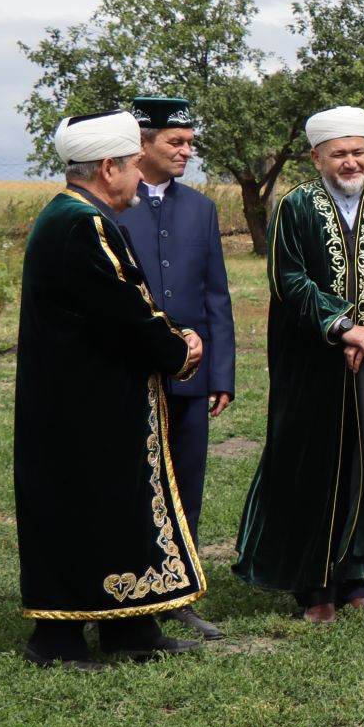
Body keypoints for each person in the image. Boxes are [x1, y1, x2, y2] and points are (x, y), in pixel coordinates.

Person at [15, 111, 207, 668]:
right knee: (81, 514)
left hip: (89, 402)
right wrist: (180, 349)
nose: (137, 179)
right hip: (82, 408)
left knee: (117, 511)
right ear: (108, 168)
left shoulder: (68, 216)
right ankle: (55, 641)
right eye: (131, 167)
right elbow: (125, 313)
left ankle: (132, 629)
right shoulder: (82, 224)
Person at [232, 107, 364, 621]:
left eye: (357, 152)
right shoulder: (295, 208)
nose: (349, 162)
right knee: (310, 463)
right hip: (311, 364)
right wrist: (345, 328)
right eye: (338, 154)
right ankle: (313, 583)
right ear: (317, 156)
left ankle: (354, 572)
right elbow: (290, 282)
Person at [117, 96, 233, 641]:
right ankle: (132, 592)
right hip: (131, 372)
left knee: (187, 481)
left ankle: (179, 595)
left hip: (191, 376)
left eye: (190, 142)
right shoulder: (113, 204)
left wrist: (222, 374)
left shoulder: (201, 208)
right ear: (144, 145)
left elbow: (217, 296)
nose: (187, 151)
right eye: (176, 142)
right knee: (138, 484)